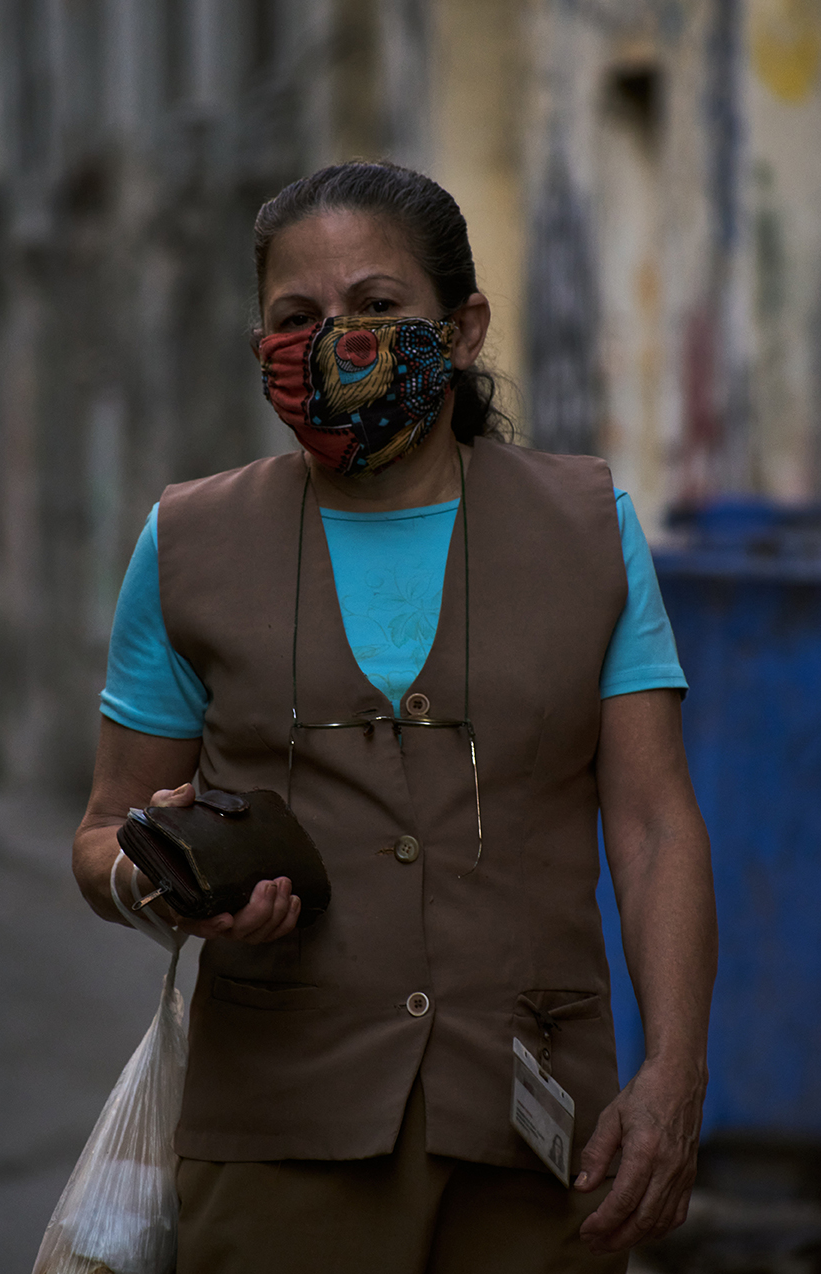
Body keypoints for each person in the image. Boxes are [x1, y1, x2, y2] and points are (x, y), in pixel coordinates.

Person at [73, 161, 716, 1274]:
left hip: (539, 1135)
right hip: (278, 1138)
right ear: (260, 340)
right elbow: (102, 834)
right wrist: (157, 875)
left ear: (459, 328)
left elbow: (653, 822)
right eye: (297, 318)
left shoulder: (584, 528)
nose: (338, 342)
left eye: (377, 308)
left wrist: (672, 1074)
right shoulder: (188, 544)